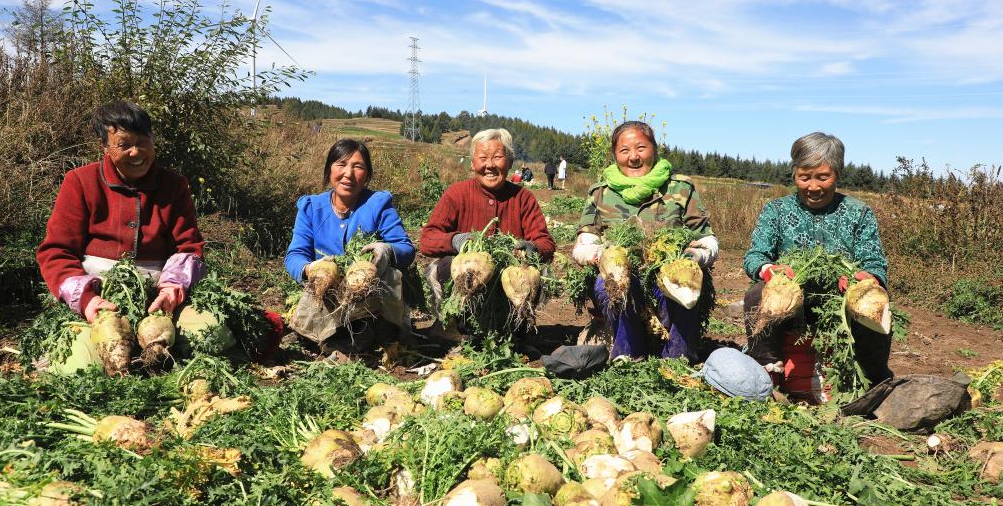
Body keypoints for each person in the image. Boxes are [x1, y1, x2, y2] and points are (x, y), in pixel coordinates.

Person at [36, 101, 207, 371]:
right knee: (83, 365)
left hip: (159, 300)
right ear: (104, 146)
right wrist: (88, 301)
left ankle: (153, 350)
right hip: (100, 301)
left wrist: (171, 290)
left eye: (143, 142)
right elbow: (56, 252)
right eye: (124, 144)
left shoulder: (174, 185)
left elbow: (188, 247)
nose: (136, 152)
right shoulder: (80, 182)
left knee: (210, 333)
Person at [742, 132, 892, 394]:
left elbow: (874, 261)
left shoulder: (859, 213)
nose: (813, 187)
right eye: (804, 177)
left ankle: (873, 381)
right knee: (757, 293)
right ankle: (767, 373)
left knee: (874, 299)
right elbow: (755, 257)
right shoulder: (776, 210)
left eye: (823, 177)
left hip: (841, 303)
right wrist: (769, 271)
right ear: (794, 174)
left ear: (838, 174)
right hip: (791, 304)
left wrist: (865, 277)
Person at [571, 121, 718, 360]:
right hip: (625, 277)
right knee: (606, 284)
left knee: (685, 281)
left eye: (641, 148)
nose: (633, 157)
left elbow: (707, 238)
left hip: (668, 276)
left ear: (654, 149)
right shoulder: (601, 192)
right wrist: (599, 255)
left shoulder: (680, 188)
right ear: (615, 155)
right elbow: (585, 240)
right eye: (624, 150)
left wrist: (697, 256)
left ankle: (676, 360)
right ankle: (628, 357)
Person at [285, 138, 416, 349]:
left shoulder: (378, 204)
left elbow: (406, 249)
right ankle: (338, 335)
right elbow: (295, 255)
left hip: (371, 294)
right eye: (341, 164)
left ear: (367, 175)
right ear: (329, 170)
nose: (348, 174)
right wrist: (310, 268)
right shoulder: (311, 207)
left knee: (390, 276)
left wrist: (386, 250)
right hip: (328, 292)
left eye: (358, 167)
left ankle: (379, 329)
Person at [420, 128, 555, 326]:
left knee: (544, 273)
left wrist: (533, 247)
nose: (490, 165)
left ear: (509, 162)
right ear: (473, 163)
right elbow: (427, 239)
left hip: (509, 286)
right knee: (436, 269)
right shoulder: (456, 193)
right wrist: (456, 240)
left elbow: (546, 243)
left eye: (498, 157)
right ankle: (450, 324)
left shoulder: (523, 198)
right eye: (482, 158)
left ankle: (517, 323)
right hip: (467, 282)